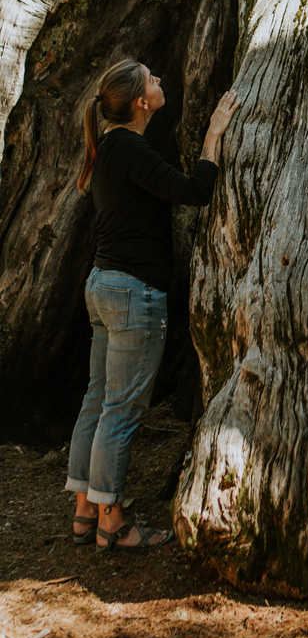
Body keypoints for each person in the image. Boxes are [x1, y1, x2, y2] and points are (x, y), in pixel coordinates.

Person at [65, 58, 240, 553]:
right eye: (152, 79)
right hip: (131, 291)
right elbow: (194, 191)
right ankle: (113, 521)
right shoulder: (129, 147)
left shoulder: (110, 147)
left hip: (104, 286)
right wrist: (215, 134)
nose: (161, 80)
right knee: (119, 410)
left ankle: (85, 512)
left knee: (98, 403)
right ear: (141, 102)